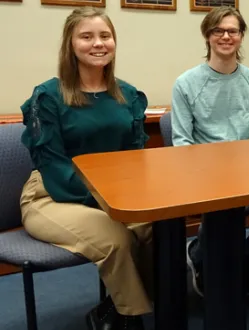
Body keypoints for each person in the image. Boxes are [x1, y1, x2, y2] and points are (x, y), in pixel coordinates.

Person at [19, 7, 153, 330]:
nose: (98, 44)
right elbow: (51, 164)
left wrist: (127, 199)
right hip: (52, 196)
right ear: (71, 44)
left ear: (114, 42)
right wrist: (109, 203)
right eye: (87, 36)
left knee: (158, 226)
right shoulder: (48, 96)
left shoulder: (129, 95)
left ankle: (114, 308)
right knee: (116, 238)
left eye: (105, 36)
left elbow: (136, 157)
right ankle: (130, 319)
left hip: (114, 195)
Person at [171, 6, 249, 297]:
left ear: (241, 36)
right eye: (218, 30)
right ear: (208, 35)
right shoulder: (186, 84)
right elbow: (182, 144)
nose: (226, 36)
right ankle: (201, 256)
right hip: (207, 176)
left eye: (233, 31)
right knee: (220, 211)